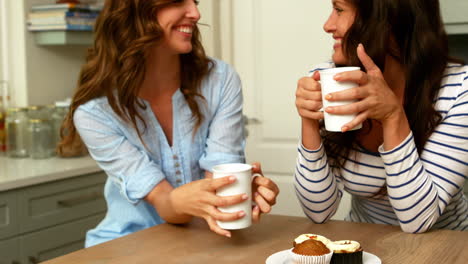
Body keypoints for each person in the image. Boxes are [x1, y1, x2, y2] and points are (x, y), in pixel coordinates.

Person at [59, 0, 279, 247]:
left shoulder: (219, 80)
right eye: (177, 2)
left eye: (194, 2)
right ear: (135, 10)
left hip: (204, 241)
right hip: (127, 245)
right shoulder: (96, 112)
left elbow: (219, 182)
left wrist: (240, 193)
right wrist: (195, 200)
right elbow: (164, 202)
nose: (195, 14)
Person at [294, 0, 467, 233]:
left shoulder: (458, 89)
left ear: (386, 20)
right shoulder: (330, 79)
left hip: (445, 247)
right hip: (366, 246)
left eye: (339, 9)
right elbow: (318, 210)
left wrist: (392, 116)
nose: (328, 25)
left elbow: (419, 221)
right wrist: (309, 120)